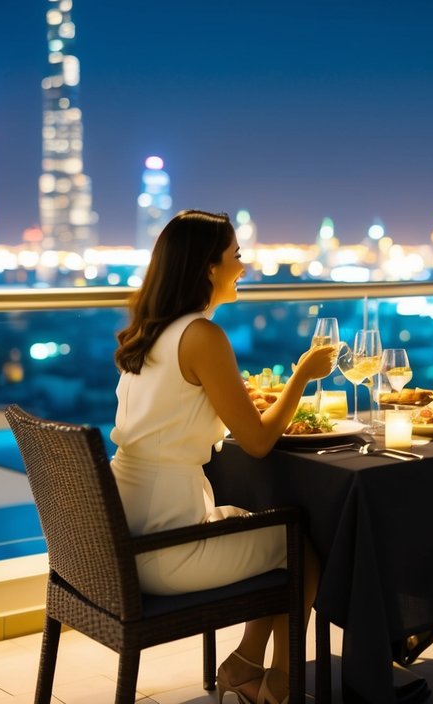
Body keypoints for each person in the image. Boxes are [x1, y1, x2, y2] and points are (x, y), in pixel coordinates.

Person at [111, 209, 336, 704]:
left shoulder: (154, 331)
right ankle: (281, 685)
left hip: (127, 536)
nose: (244, 264)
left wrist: (241, 404)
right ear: (208, 267)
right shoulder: (203, 335)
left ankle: (244, 664)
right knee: (300, 547)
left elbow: (177, 410)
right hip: (165, 548)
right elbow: (256, 444)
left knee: (269, 529)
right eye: (236, 255)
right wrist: (301, 375)